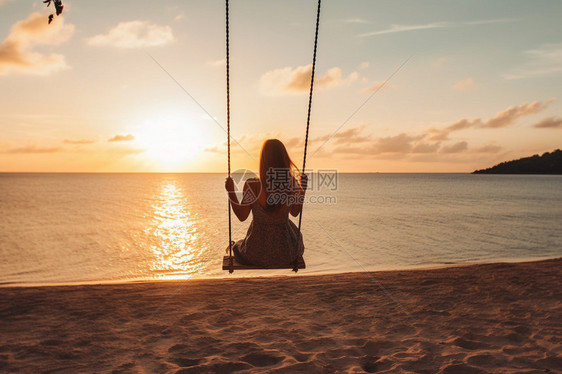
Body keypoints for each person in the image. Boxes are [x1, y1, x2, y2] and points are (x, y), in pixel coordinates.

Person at [225, 139, 307, 267]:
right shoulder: (291, 183)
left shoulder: (253, 185)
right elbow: (295, 213)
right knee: (297, 240)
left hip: (256, 254)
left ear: (263, 160)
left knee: (237, 246)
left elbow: (242, 216)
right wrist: (302, 190)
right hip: (286, 253)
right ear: (284, 160)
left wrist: (231, 191)